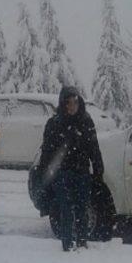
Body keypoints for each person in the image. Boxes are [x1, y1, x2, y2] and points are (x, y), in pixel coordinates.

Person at [38, 86, 104, 251]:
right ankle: (67, 245)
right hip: (62, 174)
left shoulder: (86, 121)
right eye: (68, 103)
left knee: (82, 209)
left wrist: (98, 169)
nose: (72, 106)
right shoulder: (54, 124)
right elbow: (46, 151)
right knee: (65, 210)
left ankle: (82, 243)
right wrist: (44, 175)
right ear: (63, 104)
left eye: (75, 102)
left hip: (81, 171)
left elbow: (93, 147)